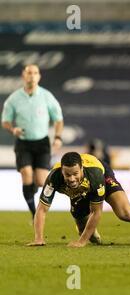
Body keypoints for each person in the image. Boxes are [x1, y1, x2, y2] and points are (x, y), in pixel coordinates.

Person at [27, 152, 130, 247]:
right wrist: (39, 238)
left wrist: (81, 242)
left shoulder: (95, 175)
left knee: (125, 214)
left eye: (75, 174)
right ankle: (89, 233)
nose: (72, 179)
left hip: (102, 177)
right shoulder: (54, 177)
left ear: (82, 169)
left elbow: (96, 212)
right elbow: (42, 209)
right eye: (68, 175)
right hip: (77, 193)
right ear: (62, 172)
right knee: (88, 234)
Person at [1, 64, 64, 219]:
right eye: (29, 72)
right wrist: (13, 129)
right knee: (26, 173)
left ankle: (33, 188)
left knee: (41, 181)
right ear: (24, 75)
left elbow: (58, 119)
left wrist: (57, 137)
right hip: (23, 142)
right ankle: (34, 213)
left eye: (35, 73)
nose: (32, 75)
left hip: (42, 142)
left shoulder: (46, 96)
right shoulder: (14, 99)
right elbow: (5, 121)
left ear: (39, 76)